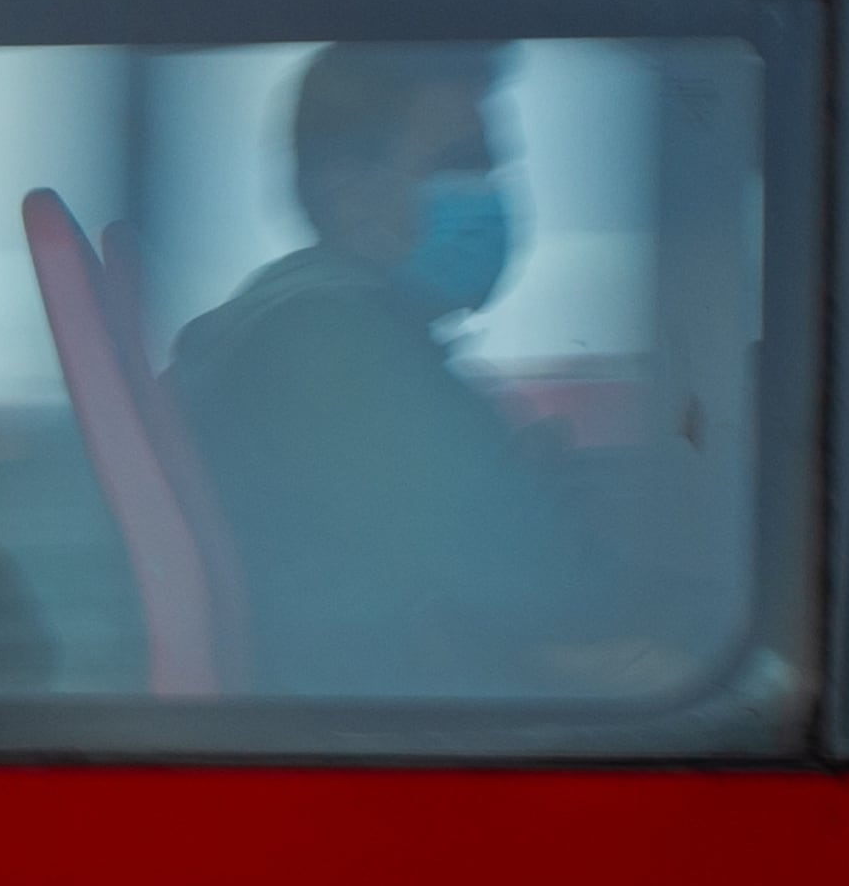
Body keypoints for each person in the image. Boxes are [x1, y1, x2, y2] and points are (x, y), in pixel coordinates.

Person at [165, 41, 621, 697]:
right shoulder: (333, 343)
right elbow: (544, 589)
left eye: (492, 167)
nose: (490, 195)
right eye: (459, 165)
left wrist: (517, 481)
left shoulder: (323, 321)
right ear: (349, 193)